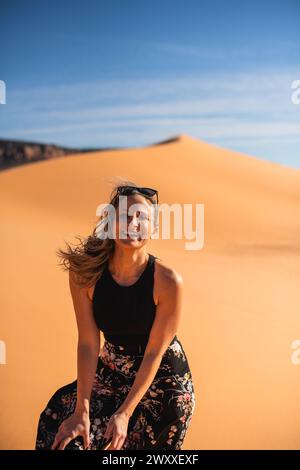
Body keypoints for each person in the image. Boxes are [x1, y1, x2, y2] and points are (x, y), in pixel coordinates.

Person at [35, 181, 196, 450]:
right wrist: (81, 412)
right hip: (111, 372)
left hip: (164, 384)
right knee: (59, 428)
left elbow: (155, 352)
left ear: (153, 228)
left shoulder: (168, 282)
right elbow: (88, 342)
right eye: (123, 216)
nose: (132, 223)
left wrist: (124, 413)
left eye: (141, 217)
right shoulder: (85, 275)